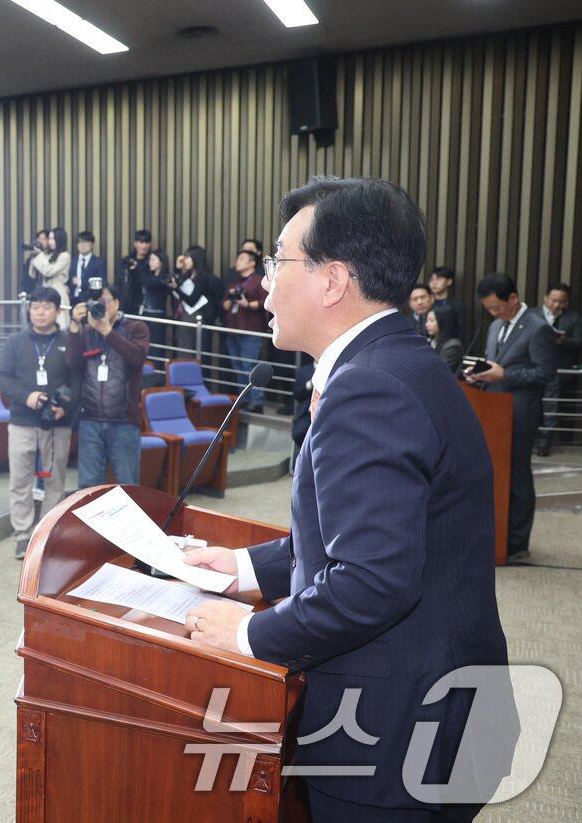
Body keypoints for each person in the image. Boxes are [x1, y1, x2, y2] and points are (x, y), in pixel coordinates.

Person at [184, 176, 515, 822]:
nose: (265, 285)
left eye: (278, 261)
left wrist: (249, 633)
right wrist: (245, 567)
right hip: (447, 704)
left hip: (391, 734)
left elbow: (370, 580)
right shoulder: (401, 363)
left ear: (332, 280)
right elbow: (374, 530)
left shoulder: (369, 388)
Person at [466, 272, 557, 562]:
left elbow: (545, 373)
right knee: (494, 478)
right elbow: (494, 364)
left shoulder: (537, 328)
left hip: (519, 415)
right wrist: (478, 375)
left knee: (517, 479)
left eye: (497, 307)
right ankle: (498, 537)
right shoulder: (495, 327)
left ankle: (517, 543)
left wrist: (505, 374)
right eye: (490, 309)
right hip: (492, 413)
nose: (493, 313)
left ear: (513, 298)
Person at [0, 287, 80, 560]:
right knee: (20, 480)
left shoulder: (68, 340)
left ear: (57, 311)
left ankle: (46, 535)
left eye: (46, 307)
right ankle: (22, 535)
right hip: (22, 421)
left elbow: (78, 378)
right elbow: (3, 378)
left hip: (57, 423)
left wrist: (64, 407)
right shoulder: (15, 342)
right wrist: (26, 396)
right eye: (35, 307)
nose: (40, 312)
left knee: (55, 480)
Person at [68, 281, 150, 489]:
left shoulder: (136, 328)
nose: (101, 306)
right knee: (88, 487)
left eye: (105, 301)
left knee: (127, 486)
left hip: (124, 420)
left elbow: (137, 358)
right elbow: (73, 363)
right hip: (90, 420)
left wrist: (107, 331)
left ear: (116, 303)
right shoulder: (86, 331)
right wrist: (74, 326)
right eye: (96, 302)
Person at [531, 282, 580, 456]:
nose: (556, 305)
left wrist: (563, 341)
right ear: (545, 298)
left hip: (558, 370)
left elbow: (579, 342)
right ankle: (532, 440)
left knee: (551, 407)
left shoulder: (573, 317)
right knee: (532, 405)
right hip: (534, 368)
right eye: (553, 300)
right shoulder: (532, 315)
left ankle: (545, 441)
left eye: (561, 302)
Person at [221, 249, 269, 411]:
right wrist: (232, 298)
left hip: (250, 331)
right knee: (238, 367)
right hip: (233, 330)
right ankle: (244, 399)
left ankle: (257, 402)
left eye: (242, 258)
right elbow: (224, 305)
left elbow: (266, 301)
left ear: (252, 263)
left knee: (249, 366)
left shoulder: (258, 281)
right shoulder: (234, 283)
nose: (238, 261)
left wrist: (248, 304)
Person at [171, 246, 222, 352]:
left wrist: (176, 288)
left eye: (188, 257)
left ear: (196, 258)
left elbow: (192, 300)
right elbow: (177, 284)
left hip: (196, 317)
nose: (185, 260)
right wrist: (178, 269)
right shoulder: (188, 275)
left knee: (192, 348)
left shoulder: (202, 277)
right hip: (184, 316)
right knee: (183, 346)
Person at [27, 227, 71, 325]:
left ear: (59, 240)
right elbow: (32, 274)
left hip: (58, 292)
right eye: (49, 238)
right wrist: (34, 256)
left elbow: (48, 271)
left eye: (53, 239)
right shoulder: (48, 255)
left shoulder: (64, 256)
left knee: (59, 323)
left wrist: (39, 255)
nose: (50, 241)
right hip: (44, 292)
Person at [115, 229, 154, 321]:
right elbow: (118, 283)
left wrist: (138, 269)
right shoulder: (125, 261)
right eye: (141, 242)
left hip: (145, 306)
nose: (144, 246)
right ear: (135, 243)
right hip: (127, 304)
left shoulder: (152, 262)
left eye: (147, 242)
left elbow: (151, 282)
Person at [428, 265, 468, 345]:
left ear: (449, 281)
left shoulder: (457, 305)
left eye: (439, 279)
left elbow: (461, 331)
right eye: (432, 279)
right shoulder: (427, 304)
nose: (434, 283)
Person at [68, 230, 107, 301]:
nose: (82, 245)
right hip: (72, 298)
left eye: (86, 242)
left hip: (90, 300)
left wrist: (81, 282)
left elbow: (101, 283)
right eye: (80, 242)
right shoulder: (72, 260)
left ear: (92, 244)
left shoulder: (99, 262)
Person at [425, 306, 464, 375]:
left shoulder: (453, 346)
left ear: (443, 321)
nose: (427, 324)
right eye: (427, 321)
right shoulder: (431, 342)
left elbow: (439, 371)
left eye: (431, 321)